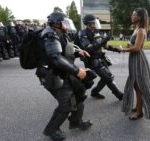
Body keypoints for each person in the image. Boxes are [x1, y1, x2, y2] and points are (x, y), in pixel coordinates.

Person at [36, 12, 92, 141]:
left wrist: (78, 53)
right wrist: (77, 71)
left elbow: (64, 53)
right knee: (66, 103)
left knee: (80, 93)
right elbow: (55, 58)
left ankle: (75, 121)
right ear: (56, 23)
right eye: (65, 22)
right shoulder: (49, 35)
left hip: (63, 71)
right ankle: (51, 130)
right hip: (52, 74)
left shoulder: (60, 33)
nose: (67, 25)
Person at [118, 8, 150, 120]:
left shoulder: (141, 30)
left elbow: (138, 48)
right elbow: (137, 45)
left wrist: (123, 49)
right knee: (135, 85)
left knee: (140, 87)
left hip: (138, 60)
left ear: (139, 17)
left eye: (134, 15)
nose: (132, 16)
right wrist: (130, 45)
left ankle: (140, 112)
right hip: (134, 59)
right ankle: (138, 107)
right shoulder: (137, 29)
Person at [76, 14, 123, 100]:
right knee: (107, 78)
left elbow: (105, 46)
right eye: (94, 23)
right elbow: (88, 49)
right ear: (88, 24)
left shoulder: (97, 32)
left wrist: (116, 49)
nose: (95, 25)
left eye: (95, 23)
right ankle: (119, 95)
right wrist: (102, 42)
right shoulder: (83, 34)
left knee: (109, 76)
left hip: (100, 58)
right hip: (92, 60)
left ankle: (95, 92)